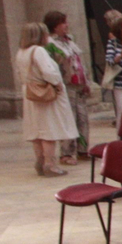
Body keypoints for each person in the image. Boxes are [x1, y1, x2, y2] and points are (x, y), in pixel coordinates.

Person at [15, 21, 78, 177]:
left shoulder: (21, 52)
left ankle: (40, 160)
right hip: (44, 93)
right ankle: (50, 164)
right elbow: (49, 72)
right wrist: (57, 83)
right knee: (49, 129)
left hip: (30, 93)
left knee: (37, 130)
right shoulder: (38, 51)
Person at [43, 10, 91, 163]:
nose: (66, 25)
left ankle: (83, 149)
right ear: (55, 26)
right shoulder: (50, 44)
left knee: (83, 118)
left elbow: (80, 63)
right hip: (66, 86)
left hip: (79, 85)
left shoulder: (70, 41)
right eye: (63, 23)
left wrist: (87, 82)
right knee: (69, 119)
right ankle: (66, 153)